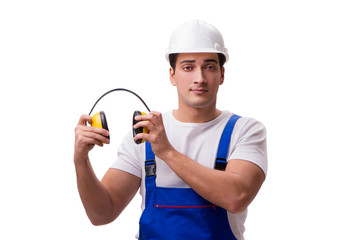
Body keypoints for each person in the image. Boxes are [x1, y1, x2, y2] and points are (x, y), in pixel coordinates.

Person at [74, 20, 267, 240]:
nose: (199, 78)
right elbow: (102, 213)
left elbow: (237, 196)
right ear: (172, 75)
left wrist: (167, 152)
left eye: (209, 67)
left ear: (222, 74)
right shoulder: (144, 133)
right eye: (188, 67)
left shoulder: (245, 131)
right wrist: (81, 160)